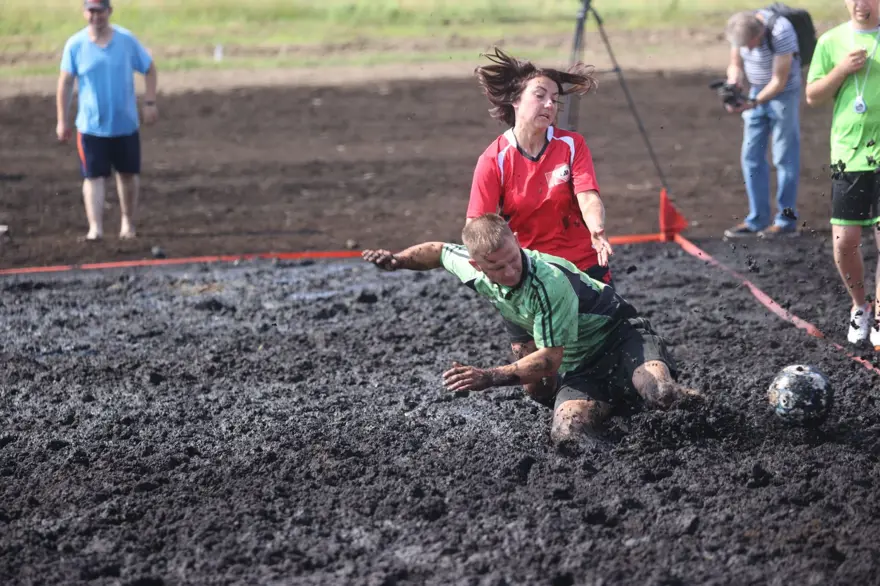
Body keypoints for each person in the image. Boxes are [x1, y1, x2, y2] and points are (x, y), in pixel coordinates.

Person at [361, 213, 699, 445]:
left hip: (622, 339)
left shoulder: (549, 282)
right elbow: (437, 251)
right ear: (477, 265)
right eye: (498, 266)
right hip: (580, 367)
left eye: (514, 258)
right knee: (567, 433)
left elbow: (550, 358)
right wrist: (398, 261)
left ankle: (708, 410)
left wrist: (490, 376)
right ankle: (620, 433)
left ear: (518, 243)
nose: (510, 270)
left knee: (661, 394)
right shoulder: (470, 267)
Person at [468, 48, 614, 403]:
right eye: (541, 95)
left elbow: (588, 195)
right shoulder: (493, 160)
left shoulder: (571, 145)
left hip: (581, 267)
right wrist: (488, 269)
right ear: (516, 101)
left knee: (597, 363)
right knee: (536, 384)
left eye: (555, 100)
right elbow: (477, 224)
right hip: (528, 275)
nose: (550, 105)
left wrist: (596, 229)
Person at [805, 0, 880, 347]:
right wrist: (841, 70)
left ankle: (879, 315)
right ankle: (860, 307)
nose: (861, 4)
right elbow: (813, 95)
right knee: (845, 242)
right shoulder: (831, 41)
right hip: (848, 157)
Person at [56, 0, 158, 242]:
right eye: (91, 11)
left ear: (109, 12)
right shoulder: (76, 44)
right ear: (84, 13)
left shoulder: (126, 41)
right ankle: (96, 229)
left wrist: (150, 102)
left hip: (125, 124)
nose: (95, 16)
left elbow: (149, 68)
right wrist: (62, 120)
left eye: (100, 10)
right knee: (93, 177)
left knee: (128, 175)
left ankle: (128, 224)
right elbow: (66, 83)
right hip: (91, 126)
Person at [722, 9, 802, 239]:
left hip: (784, 94)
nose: (747, 49)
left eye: (751, 44)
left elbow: (779, 80)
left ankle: (786, 221)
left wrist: (753, 102)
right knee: (750, 156)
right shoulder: (740, 29)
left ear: (761, 33)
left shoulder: (781, 31)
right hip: (756, 92)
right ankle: (757, 219)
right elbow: (735, 63)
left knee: (784, 157)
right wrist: (734, 81)